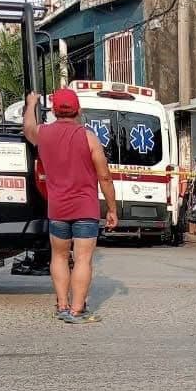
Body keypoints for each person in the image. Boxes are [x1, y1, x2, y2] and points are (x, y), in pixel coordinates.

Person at [23, 89, 118, 324]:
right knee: (83, 259)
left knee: (59, 256)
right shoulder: (88, 137)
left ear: (54, 111)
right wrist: (112, 209)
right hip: (85, 209)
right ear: (79, 111)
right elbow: (104, 177)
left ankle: (62, 306)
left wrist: (31, 103)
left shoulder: (44, 134)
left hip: (57, 210)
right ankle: (77, 311)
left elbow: (28, 129)